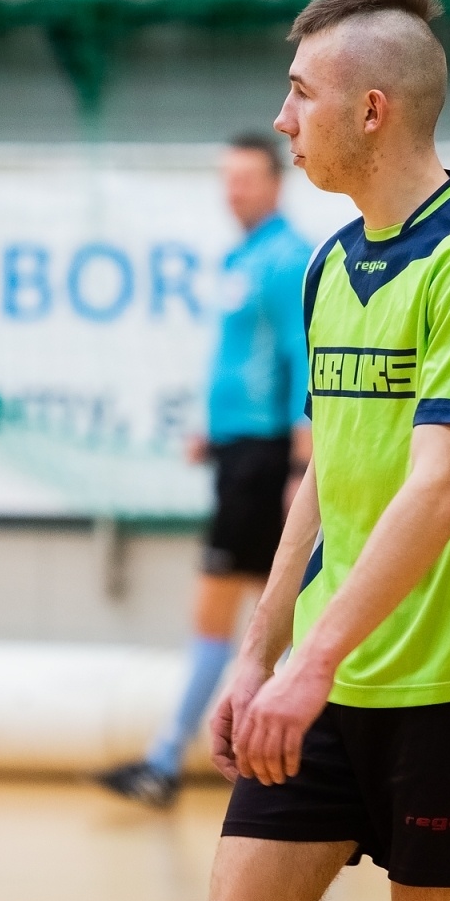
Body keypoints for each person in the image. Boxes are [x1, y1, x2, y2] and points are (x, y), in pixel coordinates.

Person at [201, 0, 450, 901]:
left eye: (299, 94)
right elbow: (326, 472)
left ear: (371, 109)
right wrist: (260, 651)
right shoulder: (328, 264)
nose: (282, 120)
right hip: (329, 670)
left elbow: (441, 483)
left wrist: (304, 667)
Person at [97, 133, 313, 809]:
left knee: (240, 611)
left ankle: (171, 762)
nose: (233, 191)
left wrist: (298, 461)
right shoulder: (242, 256)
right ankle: (260, 763)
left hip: (264, 456)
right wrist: (213, 436)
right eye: (227, 179)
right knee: (262, 615)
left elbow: (302, 357)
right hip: (238, 452)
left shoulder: (285, 258)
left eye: (246, 178)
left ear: (276, 182)